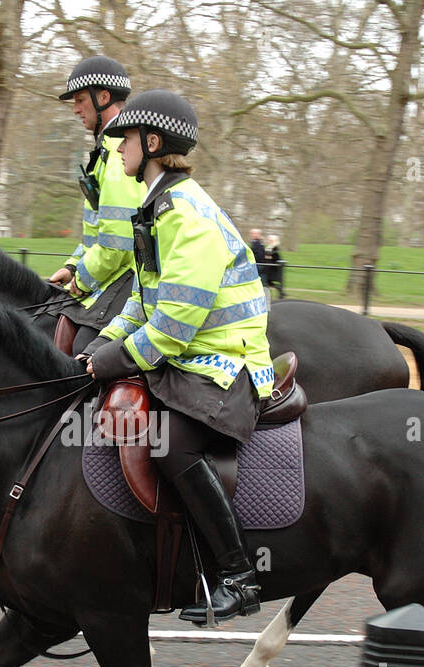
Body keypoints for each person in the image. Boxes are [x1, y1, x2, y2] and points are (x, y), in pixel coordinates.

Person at [81, 90, 273, 625]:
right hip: (191, 357)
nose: (117, 148)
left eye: (126, 140)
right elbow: (144, 303)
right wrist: (99, 349)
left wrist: (120, 358)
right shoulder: (157, 208)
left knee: (171, 445)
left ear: (154, 143)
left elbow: (172, 325)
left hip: (225, 365)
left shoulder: (187, 214)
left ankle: (238, 576)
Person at [49, 55, 143, 353]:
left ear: (103, 97)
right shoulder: (106, 150)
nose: (76, 109)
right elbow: (97, 233)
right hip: (112, 274)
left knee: (82, 351)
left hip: (130, 277)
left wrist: (82, 279)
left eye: (80, 100)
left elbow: (116, 246)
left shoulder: (118, 155)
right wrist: (73, 264)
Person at [266, 234, 284, 299]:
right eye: (269, 240)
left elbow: (276, 257)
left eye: (270, 240)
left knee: (268, 281)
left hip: (273, 268)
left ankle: (280, 291)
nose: (268, 241)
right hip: (270, 267)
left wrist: (269, 256)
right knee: (268, 282)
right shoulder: (270, 247)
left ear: (273, 241)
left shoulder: (274, 247)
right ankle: (279, 291)